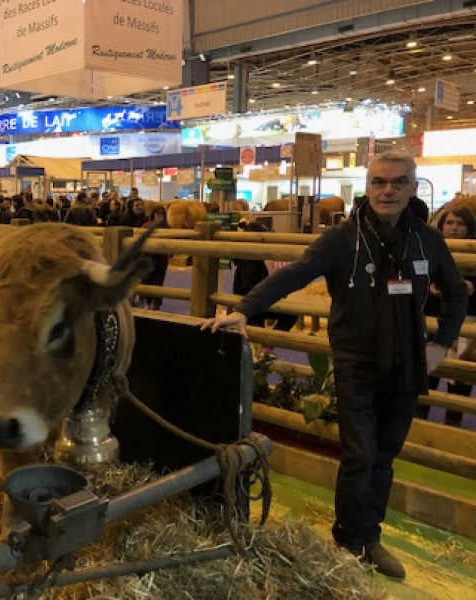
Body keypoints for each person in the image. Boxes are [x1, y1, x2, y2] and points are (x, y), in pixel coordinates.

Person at [199, 152, 468, 579]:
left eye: (399, 183)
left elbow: (456, 295)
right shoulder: (343, 239)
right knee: (360, 455)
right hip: (357, 364)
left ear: (413, 188)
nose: (388, 190)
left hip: (408, 365)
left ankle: (371, 537)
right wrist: (245, 310)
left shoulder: (426, 241)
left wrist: (440, 344)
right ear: (367, 186)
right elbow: (294, 274)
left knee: (384, 457)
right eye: (379, 182)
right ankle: (347, 543)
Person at [419, 205, 476, 426]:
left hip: (466, 322)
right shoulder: (430, 247)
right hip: (433, 319)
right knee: (426, 374)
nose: (454, 228)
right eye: (450, 223)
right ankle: (419, 422)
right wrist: (429, 287)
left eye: (460, 224)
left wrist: (471, 287)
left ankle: (453, 423)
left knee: (460, 379)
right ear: (442, 225)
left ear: (469, 228)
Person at [232, 221, 298, 353]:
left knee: (290, 313)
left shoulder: (252, 258)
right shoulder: (250, 262)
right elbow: (250, 290)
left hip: (254, 302)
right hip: (252, 306)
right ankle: (267, 346)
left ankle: (266, 346)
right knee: (290, 315)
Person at [140, 204, 169, 309]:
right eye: (157, 214)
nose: (159, 216)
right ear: (153, 214)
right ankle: (147, 303)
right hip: (148, 257)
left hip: (162, 259)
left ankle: (157, 305)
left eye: (161, 214)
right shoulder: (146, 226)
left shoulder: (168, 227)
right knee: (148, 279)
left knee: (159, 281)